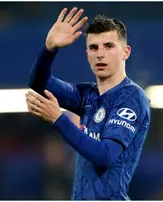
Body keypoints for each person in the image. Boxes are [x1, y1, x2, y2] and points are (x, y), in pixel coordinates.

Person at [25, 7, 151, 200]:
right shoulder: (86, 95)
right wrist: (49, 49)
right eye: (94, 48)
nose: (100, 54)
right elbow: (39, 83)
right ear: (87, 55)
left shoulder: (132, 97)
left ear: (125, 52)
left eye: (108, 46)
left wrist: (58, 119)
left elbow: (106, 155)